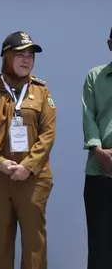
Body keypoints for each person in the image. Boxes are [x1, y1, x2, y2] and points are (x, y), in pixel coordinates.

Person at [0, 31, 56, 269]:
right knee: (2, 241)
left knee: (34, 242)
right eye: (20, 54)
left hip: (33, 178)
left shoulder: (41, 91)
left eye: (30, 55)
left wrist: (27, 167)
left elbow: (48, 133)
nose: (26, 60)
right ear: (6, 56)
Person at [82, 26, 112, 269]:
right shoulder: (95, 76)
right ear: (110, 43)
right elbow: (88, 115)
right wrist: (98, 150)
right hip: (100, 171)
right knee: (100, 243)